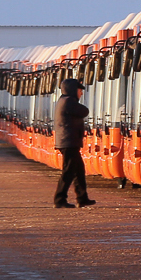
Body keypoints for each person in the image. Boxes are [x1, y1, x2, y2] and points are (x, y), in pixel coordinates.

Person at [53, 78, 96, 208]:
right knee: (69, 171)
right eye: (79, 90)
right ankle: (60, 199)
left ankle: (82, 198)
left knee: (78, 170)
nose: (81, 93)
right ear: (73, 90)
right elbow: (84, 111)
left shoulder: (63, 100)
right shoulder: (69, 102)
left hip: (68, 141)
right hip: (68, 142)